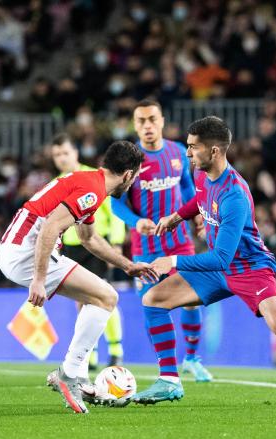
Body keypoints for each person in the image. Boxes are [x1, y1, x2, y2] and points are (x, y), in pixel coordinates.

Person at [131, 116, 276, 408]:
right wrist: (177, 217)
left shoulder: (234, 194)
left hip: (249, 268)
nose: (188, 153)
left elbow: (222, 257)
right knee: (153, 299)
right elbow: (197, 200)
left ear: (214, 151)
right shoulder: (203, 175)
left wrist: (173, 261)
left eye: (193, 147)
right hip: (219, 271)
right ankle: (169, 381)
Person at [0, 140, 157, 414]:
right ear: (128, 174)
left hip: (19, 246)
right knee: (107, 297)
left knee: (100, 298)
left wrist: (127, 265)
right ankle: (70, 374)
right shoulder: (93, 192)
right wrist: (38, 278)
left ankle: (76, 374)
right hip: (25, 250)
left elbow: (89, 239)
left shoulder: (91, 182)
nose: (133, 184)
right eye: (136, 177)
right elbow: (50, 225)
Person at [111, 99, 213, 382]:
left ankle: (191, 359)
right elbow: (115, 204)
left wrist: (198, 215)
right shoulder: (129, 161)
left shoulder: (178, 152)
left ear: (162, 121)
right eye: (141, 121)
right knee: (154, 306)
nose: (147, 126)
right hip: (146, 249)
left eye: (152, 119)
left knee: (192, 300)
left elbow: (187, 187)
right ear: (134, 125)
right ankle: (166, 370)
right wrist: (136, 221)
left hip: (181, 243)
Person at [51, 133, 126, 369]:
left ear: (75, 153)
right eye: (57, 155)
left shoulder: (92, 177)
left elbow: (113, 211)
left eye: (65, 152)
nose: (61, 158)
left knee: (103, 295)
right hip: (72, 247)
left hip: (95, 244)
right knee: (81, 302)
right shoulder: (58, 183)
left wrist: (116, 242)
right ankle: (89, 354)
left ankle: (115, 349)